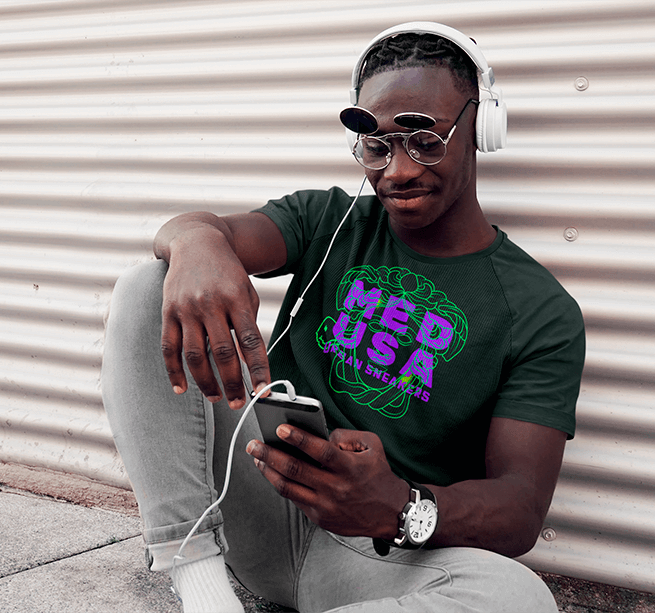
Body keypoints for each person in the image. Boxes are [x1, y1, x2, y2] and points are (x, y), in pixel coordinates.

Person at [102, 22, 585, 613]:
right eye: (376, 146)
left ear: (480, 130)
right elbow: (204, 232)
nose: (397, 171)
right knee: (147, 285)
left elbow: (519, 510)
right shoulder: (329, 220)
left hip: (379, 554)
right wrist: (197, 241)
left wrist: (400, 505)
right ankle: (201, 587)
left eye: (424, 140)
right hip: (258, 497)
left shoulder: (540, 310)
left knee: (519, 599)